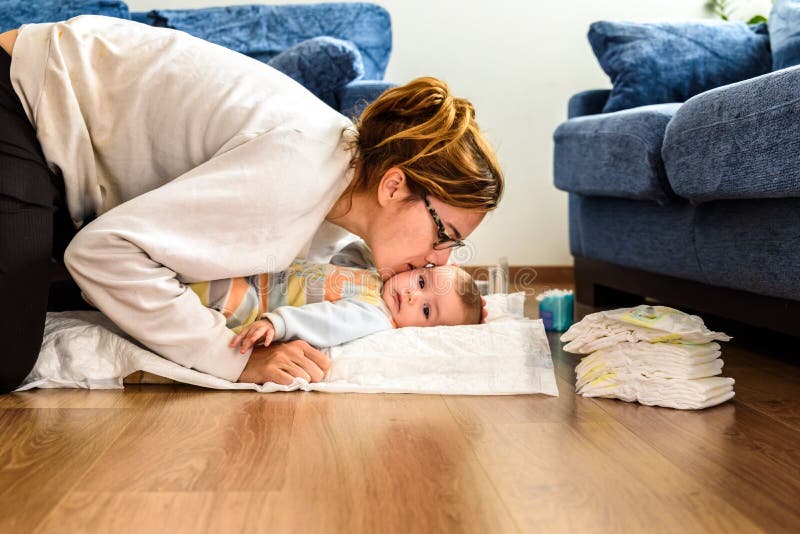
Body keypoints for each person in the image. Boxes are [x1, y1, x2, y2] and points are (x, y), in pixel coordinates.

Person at [0, 15, 503, 393]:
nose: (441, 259)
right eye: (445, 236)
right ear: (395, 187)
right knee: (8, 354)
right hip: (23, 94)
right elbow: (101, 252)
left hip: (68, 172)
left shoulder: (333, 208)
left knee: (75, 298)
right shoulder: (296, 173)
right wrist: (233, 359)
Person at [186, 252, 484, 361]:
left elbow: (327, 321)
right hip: (263, 271)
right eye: (421, 282)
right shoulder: (377, 280)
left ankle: (175, 296)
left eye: (426, 311)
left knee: (225, 293)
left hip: (257, 303)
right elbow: (348, 255)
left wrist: (278, 323)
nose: (412, 296)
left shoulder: (375, 315)